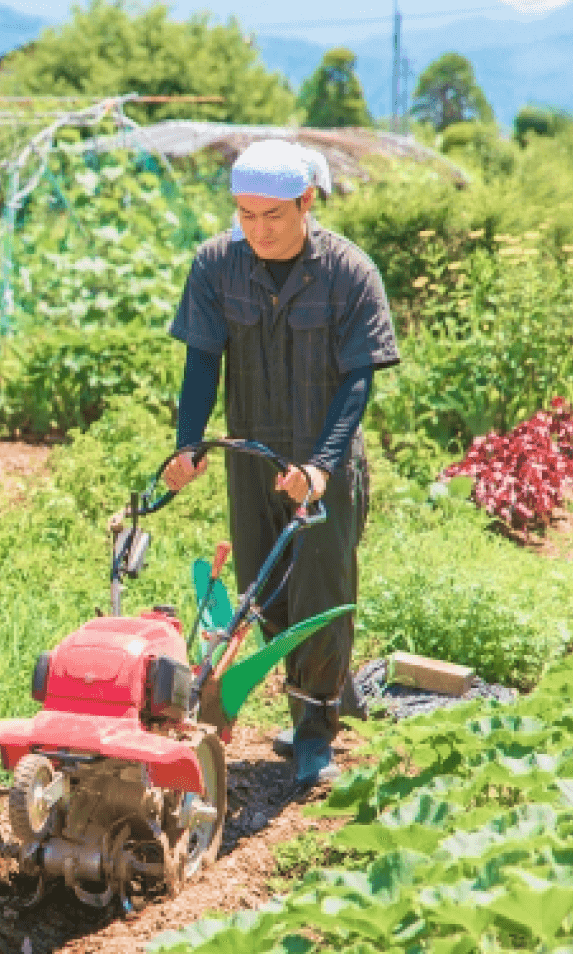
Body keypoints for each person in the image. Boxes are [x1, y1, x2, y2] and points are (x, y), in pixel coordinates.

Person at [162, 139, 400, 789]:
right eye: (246, 215)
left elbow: (357, 382)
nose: (259, 230)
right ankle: (331, 693)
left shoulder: (349, 273)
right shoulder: (217, 265)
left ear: (306, 201)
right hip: (253, 457)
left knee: (320, 592)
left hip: (325, 456)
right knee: (264, 592)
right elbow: (202, 360)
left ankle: (314, 734)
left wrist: (320, 467)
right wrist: (188, 443)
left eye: (273, 215)